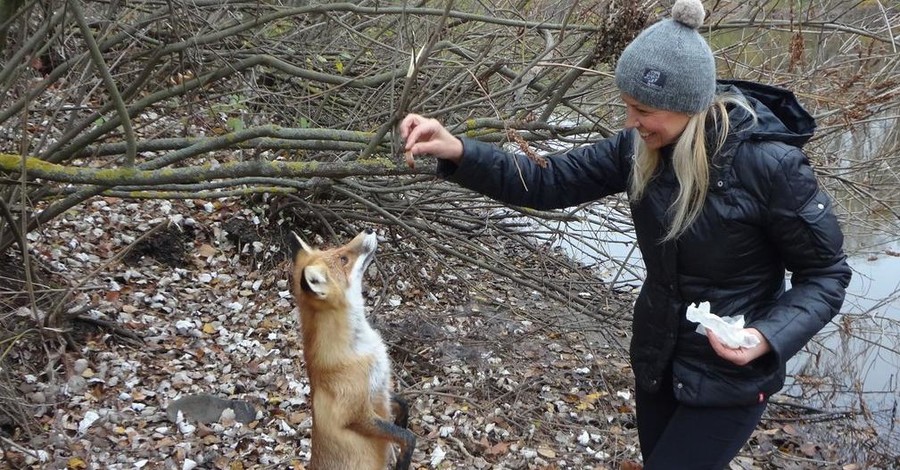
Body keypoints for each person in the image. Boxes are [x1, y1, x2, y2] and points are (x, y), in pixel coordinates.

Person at [398, 0, 852, 468]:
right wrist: (457, 150)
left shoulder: (771, 166)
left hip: (730, 379)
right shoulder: (636, 147)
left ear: (688, 107)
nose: (630, 121)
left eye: (643, 109)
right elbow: (547, 180)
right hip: (657, 363)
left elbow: (826, 274)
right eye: (626, 105)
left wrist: (765, 336)